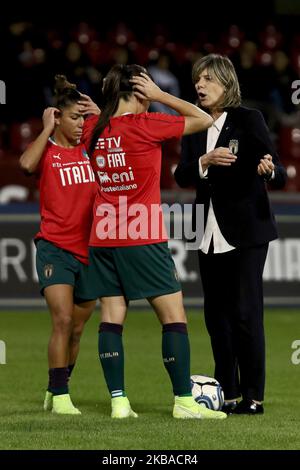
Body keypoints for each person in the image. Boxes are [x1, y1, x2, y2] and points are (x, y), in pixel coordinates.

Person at [82, 63, 227, 420]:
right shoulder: (146, 125)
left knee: (112, 317)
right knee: (174, 317)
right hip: (141, 234)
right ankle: (183, 401)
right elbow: (203, 119)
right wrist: (161, 96)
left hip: (102, 235)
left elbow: (108, 124)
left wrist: (103, 109)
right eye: (146, 92)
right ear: (138, 92)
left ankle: (118, 401)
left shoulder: (93, 129)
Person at [174, 54, 287, 415]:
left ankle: (254, 397)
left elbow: (278, 171)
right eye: (197, 80)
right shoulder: (193, 123)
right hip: (205, 230)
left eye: (207, 79)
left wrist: (268, 171)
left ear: (226, 83)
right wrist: (204, 163)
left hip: (246, 231)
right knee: (215, 316)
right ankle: (229, 393)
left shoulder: (247, 119)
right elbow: (181, 175)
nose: (200, 86)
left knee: (245, 313)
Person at [19, 75, 99, 415]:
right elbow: (25, 165)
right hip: (54, 247)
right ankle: (63, 397)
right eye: (74, 118)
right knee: (63, 320)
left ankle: (57, 389)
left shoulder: (89, 147)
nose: (80, 124)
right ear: (58, 118)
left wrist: (96, 112)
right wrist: (45, 128)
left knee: (78, 330)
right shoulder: (48, 152)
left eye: (82, 118)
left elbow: (114, 130)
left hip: (91, 250)